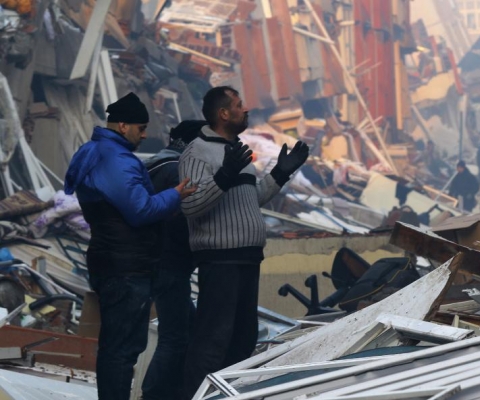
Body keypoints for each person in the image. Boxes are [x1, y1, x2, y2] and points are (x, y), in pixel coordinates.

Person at [63, 93, 196, 400]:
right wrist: (176, 194)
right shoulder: (116, 160)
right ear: (123, 125)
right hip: (125, 267)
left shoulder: (95, 152)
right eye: (141, 127)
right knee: (122, 350)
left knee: (116, 347)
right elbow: (140, 211)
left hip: (112, 260)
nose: (145, 134)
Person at [180, 86, 310, 397]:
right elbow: (190, 205)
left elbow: (251, 199)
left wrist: (280, 173)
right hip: (220, 261)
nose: (245, 109)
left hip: (247, 259)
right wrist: (223, 175)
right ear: (224, 113)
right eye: (239, 105)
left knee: (242, 340)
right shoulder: (198, 152)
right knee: (213, 341)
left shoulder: (236, 149)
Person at [141, 120, 207, 400]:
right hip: (169, 265)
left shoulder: (155, 165)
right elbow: (179, 221)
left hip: (157, 262)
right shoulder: (176, 172)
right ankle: (153, 394)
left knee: (186, 329)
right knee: (174, 337)